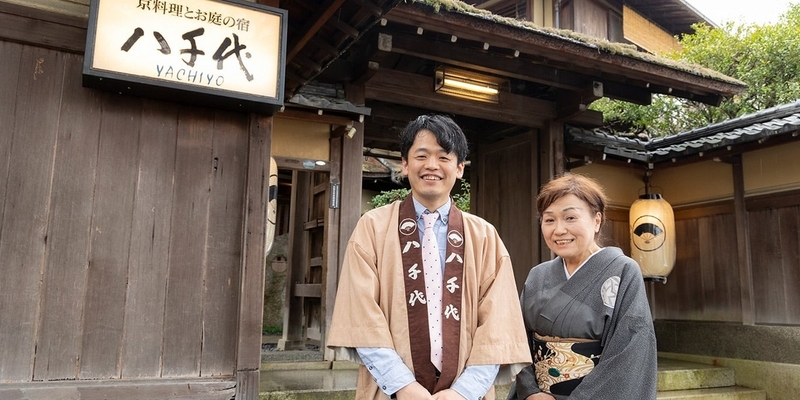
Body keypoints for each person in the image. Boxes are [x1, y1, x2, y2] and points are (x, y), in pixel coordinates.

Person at [327, 114, 531, 400]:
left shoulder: (484, 236)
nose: (432, 166)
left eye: (444, 157)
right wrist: (403, 386)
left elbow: (498, 326)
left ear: (460, 168)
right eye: (421, 155)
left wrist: (464, 391)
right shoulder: (373, 227)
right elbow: (361, 315)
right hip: (391, 391)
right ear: (405, 164)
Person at [507, 173, 657, 400]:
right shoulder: (538, 275)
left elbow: (630, 350)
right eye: (549, 220)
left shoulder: (624, 271)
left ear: (597, 220)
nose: (558, 230)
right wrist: (530, 392)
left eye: (570, 218)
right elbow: (518, 340)